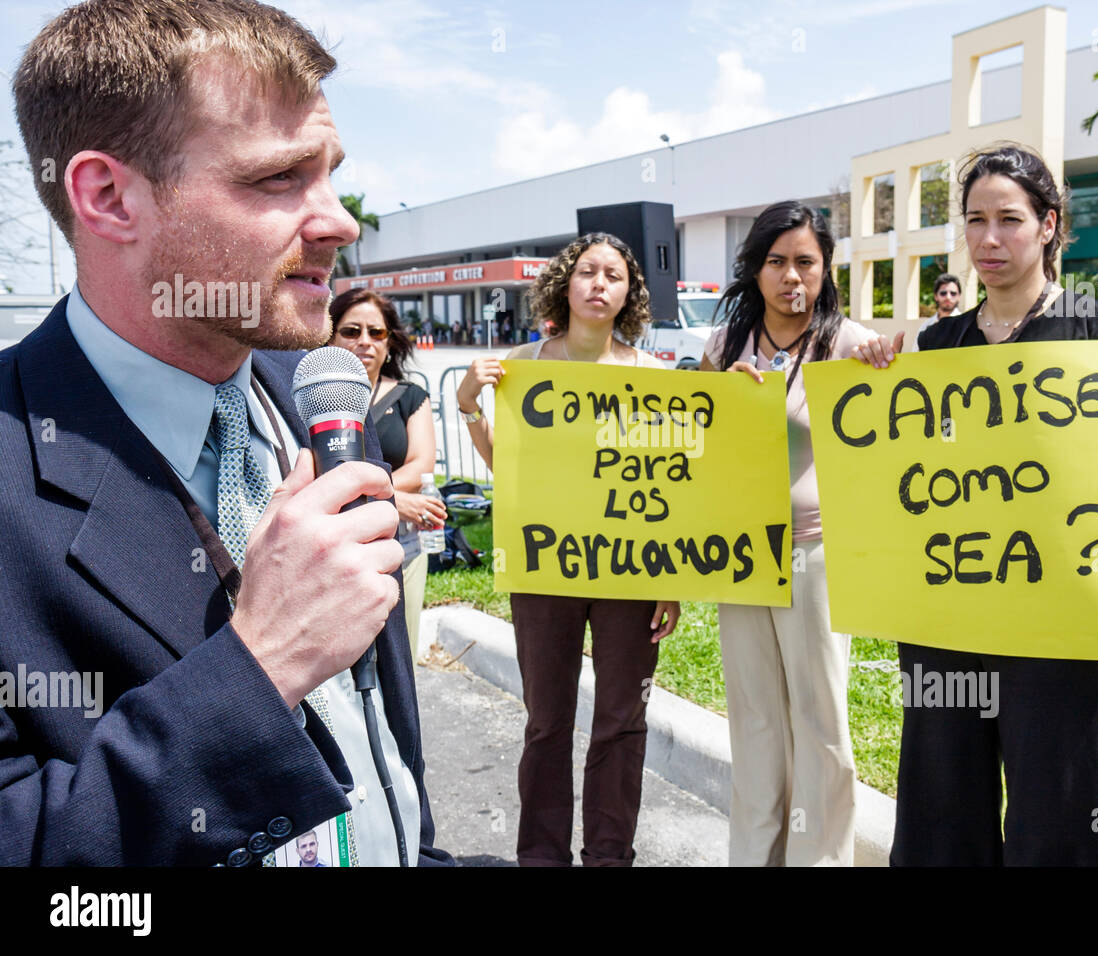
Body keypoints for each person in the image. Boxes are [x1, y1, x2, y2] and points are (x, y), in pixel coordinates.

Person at [2, 0, 450, 865]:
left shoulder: (320, 402)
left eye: (330, 173)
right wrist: (259, 670)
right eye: (278, 178)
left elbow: (380, 746)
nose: (339, 222)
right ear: (108, 197)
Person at [856, 143, 1098, 866]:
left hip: (1061, 628)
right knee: (940, 808)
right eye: (975, 221)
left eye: (1010, 220)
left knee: (1057, 814)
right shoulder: (938, 347)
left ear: (1050, 224)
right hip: (946, 619)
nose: (990, 240)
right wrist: (875, 378)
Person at [456, 233, 681, 866]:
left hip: (630, 571)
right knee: (547, 722)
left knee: (620, 719)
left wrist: (670, 578)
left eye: (614, 274)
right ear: (566, 284)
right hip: (545, 566)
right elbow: (509, 467)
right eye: (587, 272)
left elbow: (667, 488)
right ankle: (543, 856)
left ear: (629, 293)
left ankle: (610, 855)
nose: (599, 283)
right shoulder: (524, 367)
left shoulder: (654, 377)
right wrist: (471, 401)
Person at [700, 201, 899, 866]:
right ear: (754, 269)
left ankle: (820, 859)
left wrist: (883, 370)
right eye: (776, 261)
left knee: (820, 719)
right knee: (755, 719)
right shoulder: (723, 348)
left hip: (817, 553)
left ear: (826, 269)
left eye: (805, 262)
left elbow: (889, 446)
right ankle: (754, 856)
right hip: (742, 556)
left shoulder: (852, 347)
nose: (791, 276)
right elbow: (702, 458)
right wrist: (722, 404)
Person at [329, 288, 445, 659]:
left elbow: (421, 465)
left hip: (402, 547)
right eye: (351, 331)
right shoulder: (311, 396)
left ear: (390, 342)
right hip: (334, 544)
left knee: (400, 657)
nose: (364, 342)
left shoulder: (411, 396)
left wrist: (377, 497)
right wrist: (395, 498)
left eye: (376, 333)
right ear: (329, 336)